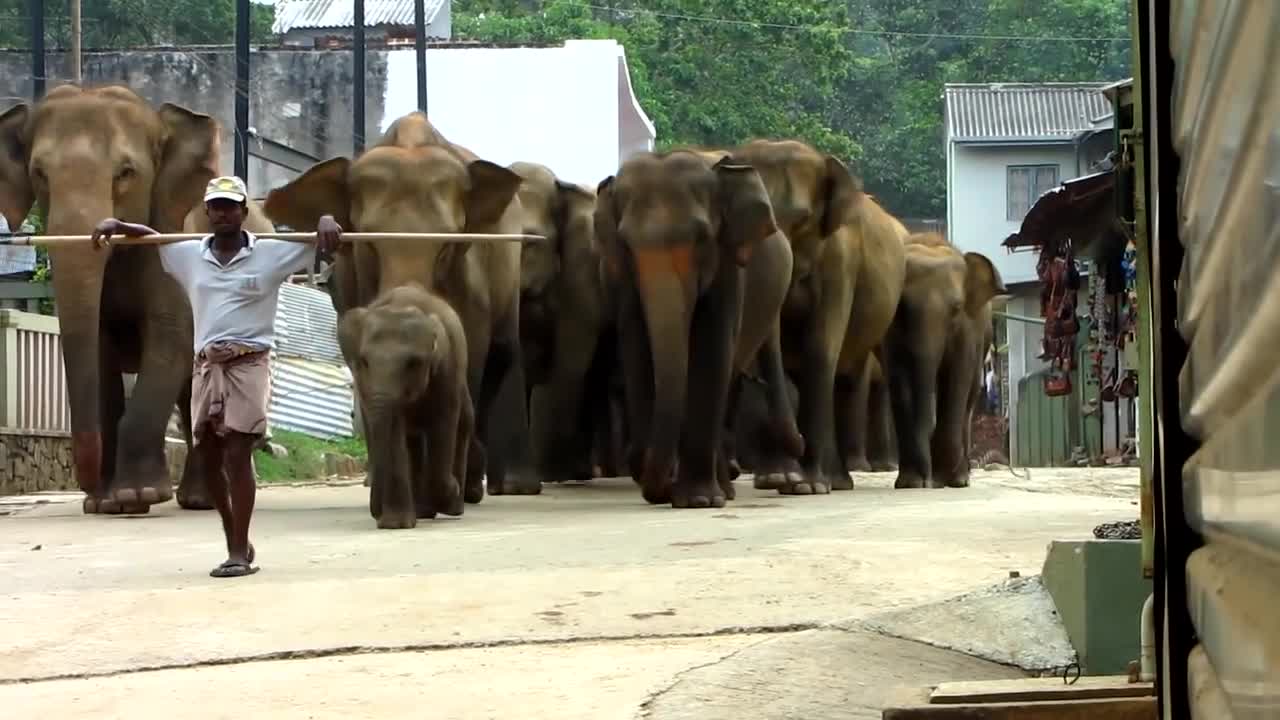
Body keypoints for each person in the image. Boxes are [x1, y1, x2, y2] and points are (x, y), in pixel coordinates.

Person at [92, 176, 344, 578]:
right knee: (207, 452)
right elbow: (154, 238)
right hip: (206, 365)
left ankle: (238, 552)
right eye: (217, 206)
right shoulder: (189, 255)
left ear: (245, 212)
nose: (224, 213)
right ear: (207, 213)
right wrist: (119, 227)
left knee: (237, 450)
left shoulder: (271, 254)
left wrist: (328, 219)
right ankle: (237, 537)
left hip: (250, 363)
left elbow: (322, 240)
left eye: (231, 206)